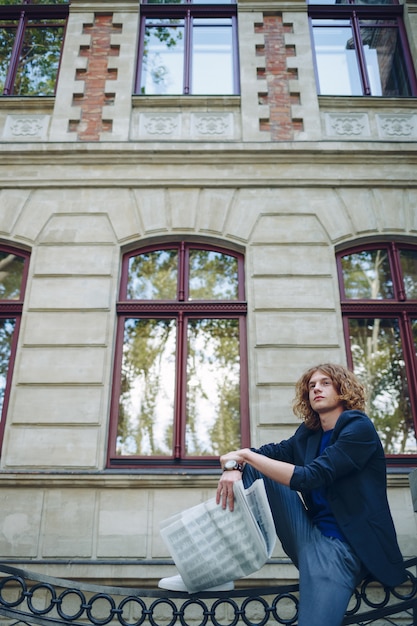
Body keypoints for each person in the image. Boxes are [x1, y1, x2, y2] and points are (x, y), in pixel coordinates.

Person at [159, 363, 407, 626]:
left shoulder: (359, 428)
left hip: (341, 547)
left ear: (342, 388)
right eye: (311, 386)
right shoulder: (307, 436)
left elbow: (311, 477)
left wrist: (243, 457)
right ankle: (214, 571)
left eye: (324, 383)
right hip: (308, 533)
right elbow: (263, 456)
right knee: (255, 469)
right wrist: (234, 466)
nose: (316, 389)